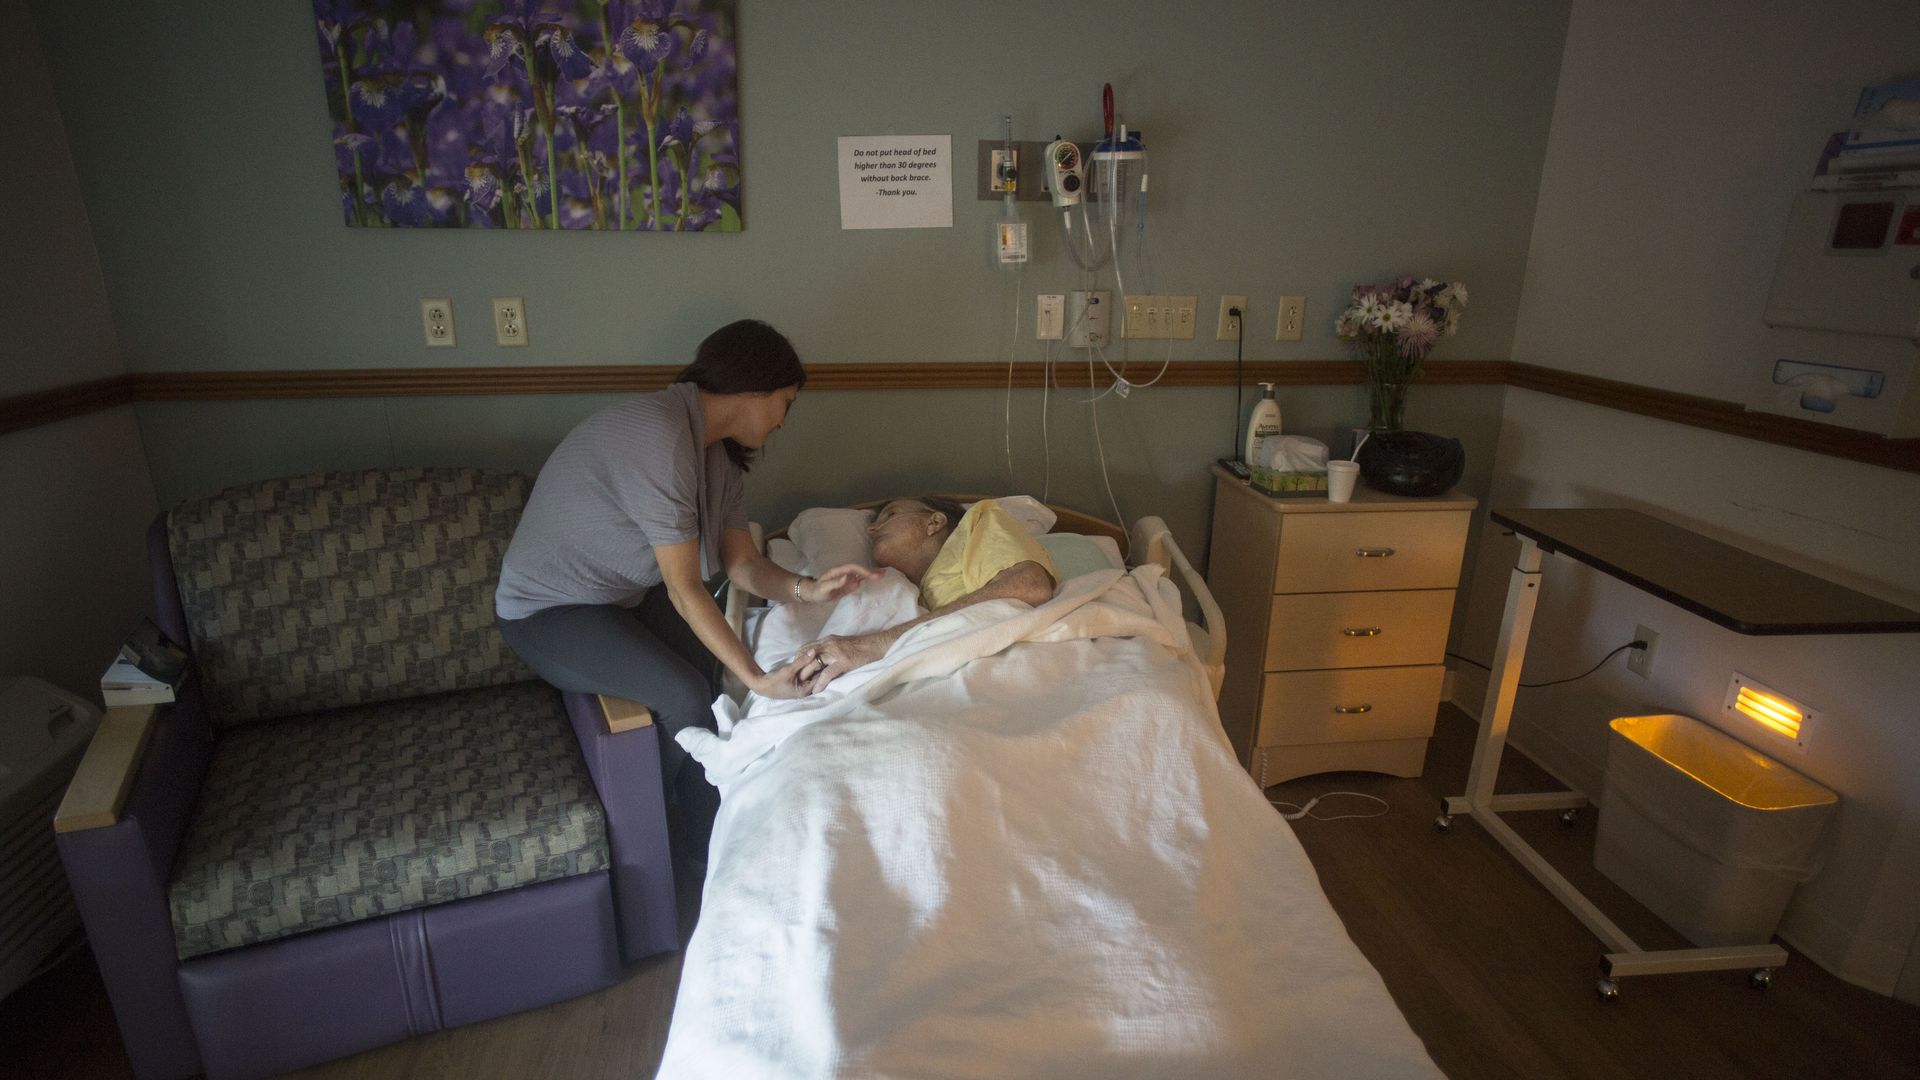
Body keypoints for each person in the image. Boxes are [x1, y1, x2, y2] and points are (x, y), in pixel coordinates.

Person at [495, 320, 877, 856]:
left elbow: (741, 563)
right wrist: (759, 677)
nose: (784, 422)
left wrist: (806, 589)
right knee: (683, 694)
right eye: (786, 403)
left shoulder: (714, 454)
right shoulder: (658, 437)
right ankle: (669, 840)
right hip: (547, 612)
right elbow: (683, 588)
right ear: (754, 389)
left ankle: (709, 830)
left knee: (710, 679)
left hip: (621, 597)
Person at [791, 495, 1060, 693]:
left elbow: (1030, 585)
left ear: (934, 522)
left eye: (891, 515)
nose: (871, 529)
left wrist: (876, 644)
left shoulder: (979, 521)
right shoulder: (905, 589)